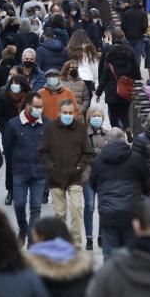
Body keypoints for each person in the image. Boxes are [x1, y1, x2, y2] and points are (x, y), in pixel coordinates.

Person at [89, 128, 150, 259]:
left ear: (107, 141)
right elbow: (149, 183)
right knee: (131, 255)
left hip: (108, 213)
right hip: (131, 212)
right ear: (124, 140)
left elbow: (92, 184)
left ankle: (111, 278)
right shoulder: (136, 159)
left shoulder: (98, 161)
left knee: (110, 255)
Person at [39, 98, 93, 248]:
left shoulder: (81, 128)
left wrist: (79, 167)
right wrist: (51, 167)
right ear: (59, 113)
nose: (68, 115)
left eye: (70, 112)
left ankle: (76, 242)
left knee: (76, 208)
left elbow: (87, 152)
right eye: (65, 113)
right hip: (55, 177)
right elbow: (43, 151)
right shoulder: (50, 128)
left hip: (74, 176)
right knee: (60, 213)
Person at [3, 92, 50, 246]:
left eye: (41, 107)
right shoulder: (13, 124)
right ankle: (23, 228)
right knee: (19, 204)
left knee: (36, 207)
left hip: (40, 173)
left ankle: (31, 240)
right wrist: (12, 168)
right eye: (36, 107)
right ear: (28, 106)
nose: (39, 110)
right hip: (20, 172)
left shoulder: (47, 124)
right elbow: (7, 148)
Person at [96, 28, 141, 136]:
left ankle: (116, 134)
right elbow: (136, 71)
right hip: (125, 88)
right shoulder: (130, 50)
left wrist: (99, 91)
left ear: (112, 38)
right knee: (124, 112)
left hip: (111, 88)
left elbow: (103, 72)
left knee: (113, 113)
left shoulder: (107, 51)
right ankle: (127, 128)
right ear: (123, 37)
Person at [0, 73, 31, 206]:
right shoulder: (3, 97)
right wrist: (7, 128)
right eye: (13, 84)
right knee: (10, 163)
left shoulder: (29, 97)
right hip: (9, 134)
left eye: (18, 84)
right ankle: (10, 190)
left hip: (26, 133)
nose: (15, 87)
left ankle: (23, 188)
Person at [82, 106, 109, 250]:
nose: (97, 118)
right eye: (94, 116)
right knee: (89, 206)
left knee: (103, 207)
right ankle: (89, 237)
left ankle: (101, 235)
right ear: (89, 118)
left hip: (104, 176)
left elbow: (110, 153)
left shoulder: (107, 134)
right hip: (88, 175)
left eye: (99, 116)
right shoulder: (83, 134)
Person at [66, 29, 99, 96]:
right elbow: (94, 66)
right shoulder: (90, 50)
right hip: (87, 77)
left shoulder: (69, 50)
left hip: (73, 78)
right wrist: (95, 79)